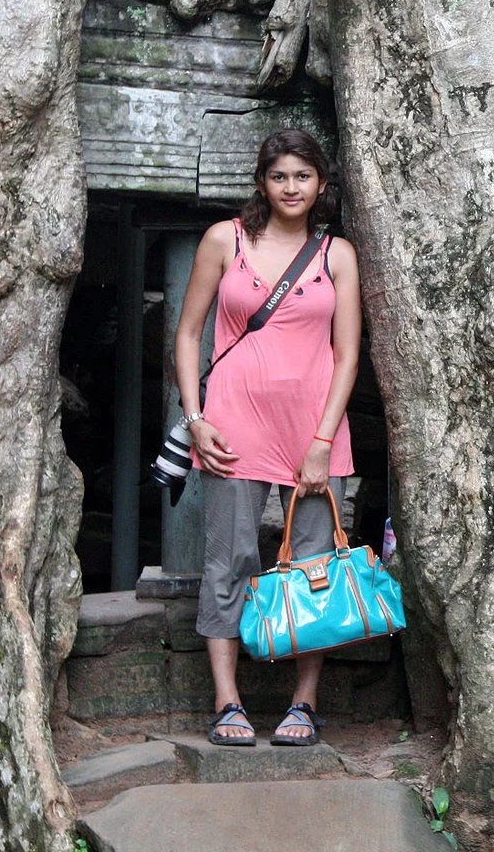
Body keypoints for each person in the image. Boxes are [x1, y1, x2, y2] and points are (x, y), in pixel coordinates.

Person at [172, 128, 361, 747]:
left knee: (314, 566)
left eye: (303, 176)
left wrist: (323, 440)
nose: (291, 187)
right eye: (279, 175)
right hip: (232, 429)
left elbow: (348, 353)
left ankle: (303, 704)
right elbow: (187, 333)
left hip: (315, 432)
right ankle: (228, 701)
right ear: (262, 181)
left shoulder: (336, 255)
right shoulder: (224, 240)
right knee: (229, 561)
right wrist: (197, 418)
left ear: (322, 185)